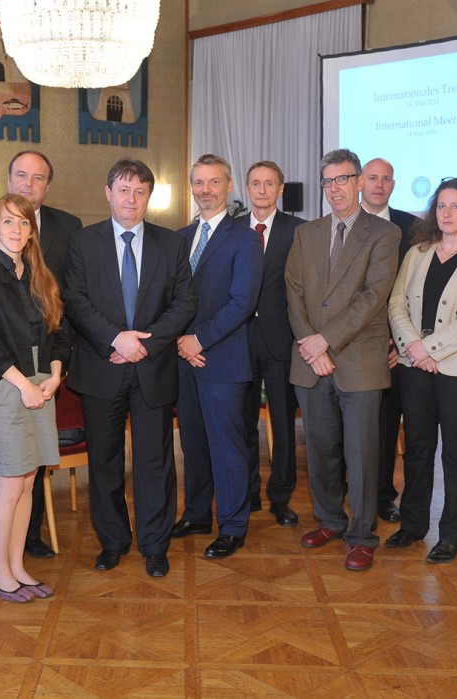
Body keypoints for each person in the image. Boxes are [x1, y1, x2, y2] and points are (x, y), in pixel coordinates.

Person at [62, 159, 197, 577]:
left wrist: (145, 345)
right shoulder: (83, 243)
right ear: (108, 193)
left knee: (155, 462)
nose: (131, 199)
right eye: (124, 190)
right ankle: (113, 541)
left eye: (140, 191)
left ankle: (155, 545)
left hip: (152, 370)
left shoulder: (171, 244)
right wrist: (115, 340)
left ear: (149, 197)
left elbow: (185, 303)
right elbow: (76, 301)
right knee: (104, 463)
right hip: (102, 368)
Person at [0, 150, 82, 563]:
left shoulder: (39, 275)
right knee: (9, 484)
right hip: (9, 384)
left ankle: (17, 566)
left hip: (41, 385)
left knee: (29, 482)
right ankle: (0, 570)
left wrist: (55, 375)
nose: (15, 228)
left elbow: (58, 329)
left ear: (32, 232)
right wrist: (26, 385)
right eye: (7, 221)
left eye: (22, 223)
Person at [285, 148, 399, 572]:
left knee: (362, 453)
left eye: (342, 180)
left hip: (360, 361)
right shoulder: (306, 233)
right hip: (310, 363)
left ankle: (362, 534)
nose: (334, 188)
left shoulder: (384, 234)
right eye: (327, 181)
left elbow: (373, 298)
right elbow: (293, 292)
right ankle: (330, 520)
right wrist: (311, 346)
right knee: (319, 449)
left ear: (358, 182)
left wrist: (324, 342)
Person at [386, 178, 457, 563]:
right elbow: (396, 304)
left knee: (456, 452)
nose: (447, 213)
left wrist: (428, 348)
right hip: (414, 365)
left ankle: (452, 535)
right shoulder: (418, 251)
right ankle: (413, 525)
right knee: (418, 449)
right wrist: (414, 349)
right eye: (441, 206)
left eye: (456, 206)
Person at [171, 154, 262, 560]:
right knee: (193, 443)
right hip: (182, 360)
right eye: (198, 182)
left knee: (227, 447)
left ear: (228, 187)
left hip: (221, 360)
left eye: (213, 182)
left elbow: (241, 303)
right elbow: (170, 299)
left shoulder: (244, 238)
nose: (205, 189)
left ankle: (233, 525)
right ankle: (196, 513)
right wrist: (178, 341)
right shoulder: (179, 237)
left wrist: (198, 341)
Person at [237, 161, 305, 527]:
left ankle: (281, 497)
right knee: (243, 423)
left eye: (269, 184)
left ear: (281, 189)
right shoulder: (231, 230)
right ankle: (248, 493)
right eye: (256, 184)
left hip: (283, 341)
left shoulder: (300, 231)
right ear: (246, 189)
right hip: (239, 341)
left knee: (282, 424)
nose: (262, 190)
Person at [359, 158, 420, 524]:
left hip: (394, 348)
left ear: (394, 185)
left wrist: (400, 342)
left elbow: (416, 290)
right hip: (349, 345)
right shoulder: (342, 223)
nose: (379, 185)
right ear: (360, 182)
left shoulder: (413, 228)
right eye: (372, 178)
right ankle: (346, 489)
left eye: (386, 179)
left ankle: (383, 495)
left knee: (385, 426)